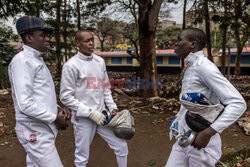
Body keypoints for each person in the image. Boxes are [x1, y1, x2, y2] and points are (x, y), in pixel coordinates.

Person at [166, 28, 246, 167]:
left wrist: (208, 133)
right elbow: (193, 102)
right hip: (184, 138)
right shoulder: (191, 66)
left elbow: (238, 103)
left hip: (201, 145)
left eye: (180, 40)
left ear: (192, 44)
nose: (175, 44)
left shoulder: (204, 67)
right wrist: (178, 119)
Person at [8, 16, 71, 167]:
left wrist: (58, 109)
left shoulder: (36, 60)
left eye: (47, 35)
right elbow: (25, 104)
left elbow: (41, 95)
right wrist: (54, 118)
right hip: (33, 130)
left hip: (41, 127)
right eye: (42, 35)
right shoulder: (23, 61)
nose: (48, 39)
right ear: (29, 38)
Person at [60, 30, 128, 167]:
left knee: (121, 146)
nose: (91, 43)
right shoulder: (71, 65)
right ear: (78, 43)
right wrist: (90, 112)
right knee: (82, 156)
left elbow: (105, 88)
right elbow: (65, 97)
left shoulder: (99, 61)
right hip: (84, 119)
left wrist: (112, 107)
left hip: (102, 115)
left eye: (92, 39)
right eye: (87, 41)